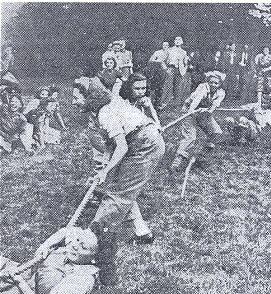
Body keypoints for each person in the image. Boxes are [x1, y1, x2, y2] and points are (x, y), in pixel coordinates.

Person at [89, 73, 165, 245]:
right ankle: (141, 231)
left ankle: (93, 239)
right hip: (143, 140)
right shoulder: (113, 104)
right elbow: (113, 146)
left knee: (118, 191)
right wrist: (105, 170)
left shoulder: (105, 113)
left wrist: (105, 171)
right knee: (120, 184)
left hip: (144, 144)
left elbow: (121, 146)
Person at [0, 222, 113, 294]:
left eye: (82, 246)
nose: (75, 245)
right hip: (27, 275)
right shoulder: (78, 245)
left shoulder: (81, 280)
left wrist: (20, 282)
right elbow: (67, 231)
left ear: (94, 259)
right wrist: (47, 245)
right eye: (78, 240)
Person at [170, 70, 226, 171]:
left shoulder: (221, 92)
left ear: (220, 84)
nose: (213, 84)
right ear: (207, 81)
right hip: (189, 111)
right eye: (211, 82)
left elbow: (214, 106)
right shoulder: (202, 87)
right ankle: (177, 161)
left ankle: (202, 157)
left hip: (203, 113)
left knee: (216, 133)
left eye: (216, 83)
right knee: (190, 137)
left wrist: (208, 112)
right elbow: (195, 101)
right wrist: (191, 111)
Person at [161, 36, 189, 108]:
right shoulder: (169, 50)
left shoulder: (184, 52)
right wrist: (166, 70)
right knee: (168, 86)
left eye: (179, 39)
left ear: (182, 42)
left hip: (180, 70)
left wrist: (184, 70)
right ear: (174, 41)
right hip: (171, 69)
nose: (177, 41)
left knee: (178, 87)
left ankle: (176, 104)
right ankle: (164, 103)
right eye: (176, 39)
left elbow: (186, 63)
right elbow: (162, 61)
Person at [145, 41, 170, 110]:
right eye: (163, 45)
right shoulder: (157, 52)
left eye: (166, 45)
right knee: (153, 86)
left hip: (164, 71)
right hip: (156, 71)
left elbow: (169, 62)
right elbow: (151, 60)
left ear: (168, 46)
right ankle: (149, 103)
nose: (165, 46)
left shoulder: (169, 53)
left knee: (161, 87)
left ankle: (158, 104)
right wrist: (159, 62)